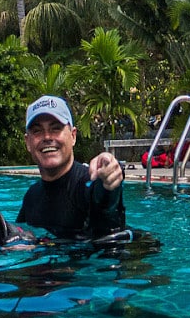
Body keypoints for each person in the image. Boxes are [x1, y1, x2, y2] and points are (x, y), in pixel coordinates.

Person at [17, 95, 127, 240]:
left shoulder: (89, 183)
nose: (47, 137)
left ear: (73, 136)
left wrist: (109, 179)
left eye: (56, 128)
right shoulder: (31, 196)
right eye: (37, 131)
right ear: (28, 143)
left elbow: (106, 201)